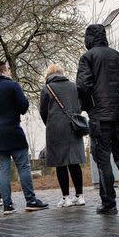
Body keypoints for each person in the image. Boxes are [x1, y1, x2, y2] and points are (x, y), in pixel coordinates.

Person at [76, 24, 119, 214]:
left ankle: (108, 202)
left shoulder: (87, 58)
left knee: (103, 159)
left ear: (89, 38)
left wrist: (87, 105)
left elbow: (82, 86)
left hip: (100, 117)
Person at [0, 61, 48, 215]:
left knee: (3, 170)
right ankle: (31, 201)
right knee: (23, 166)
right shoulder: (13, 86)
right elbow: (23, 107)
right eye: (8, 69)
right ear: (4, 70)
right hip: (13, 132)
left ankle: (7, 205)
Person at [39, 64, 86, 208]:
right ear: (62, 73)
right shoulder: (73, 86)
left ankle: (66, 198)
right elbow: (80, 105)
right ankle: (80, 196)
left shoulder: (47, 89)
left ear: (49, 75)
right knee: (74, 162)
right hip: (73, 127)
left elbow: (43, 111)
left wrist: (51, 123)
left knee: (61, 164)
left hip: (55, 128)